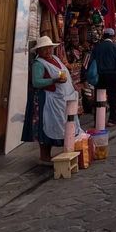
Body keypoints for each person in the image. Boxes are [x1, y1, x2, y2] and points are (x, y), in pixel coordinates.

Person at [22, 36, 81, 165]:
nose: (48, 51)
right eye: (44, 49)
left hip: (60, 99)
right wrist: (54, 80)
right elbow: (36, 82)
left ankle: (62, 151)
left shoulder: (55, 59)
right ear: (39, 51)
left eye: (49, 48)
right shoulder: (38, 64)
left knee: (60, 124)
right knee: (44, 126)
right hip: (47, 100)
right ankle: (45, 156)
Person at [90, 27, 116, 127]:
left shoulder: (97, 47)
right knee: (112, 98)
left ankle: (97, 120)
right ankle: (112, 119)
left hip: (100, 75)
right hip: (112, 76)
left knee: (99, 99)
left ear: (104, 36)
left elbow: (91, 62)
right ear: (113, 36)